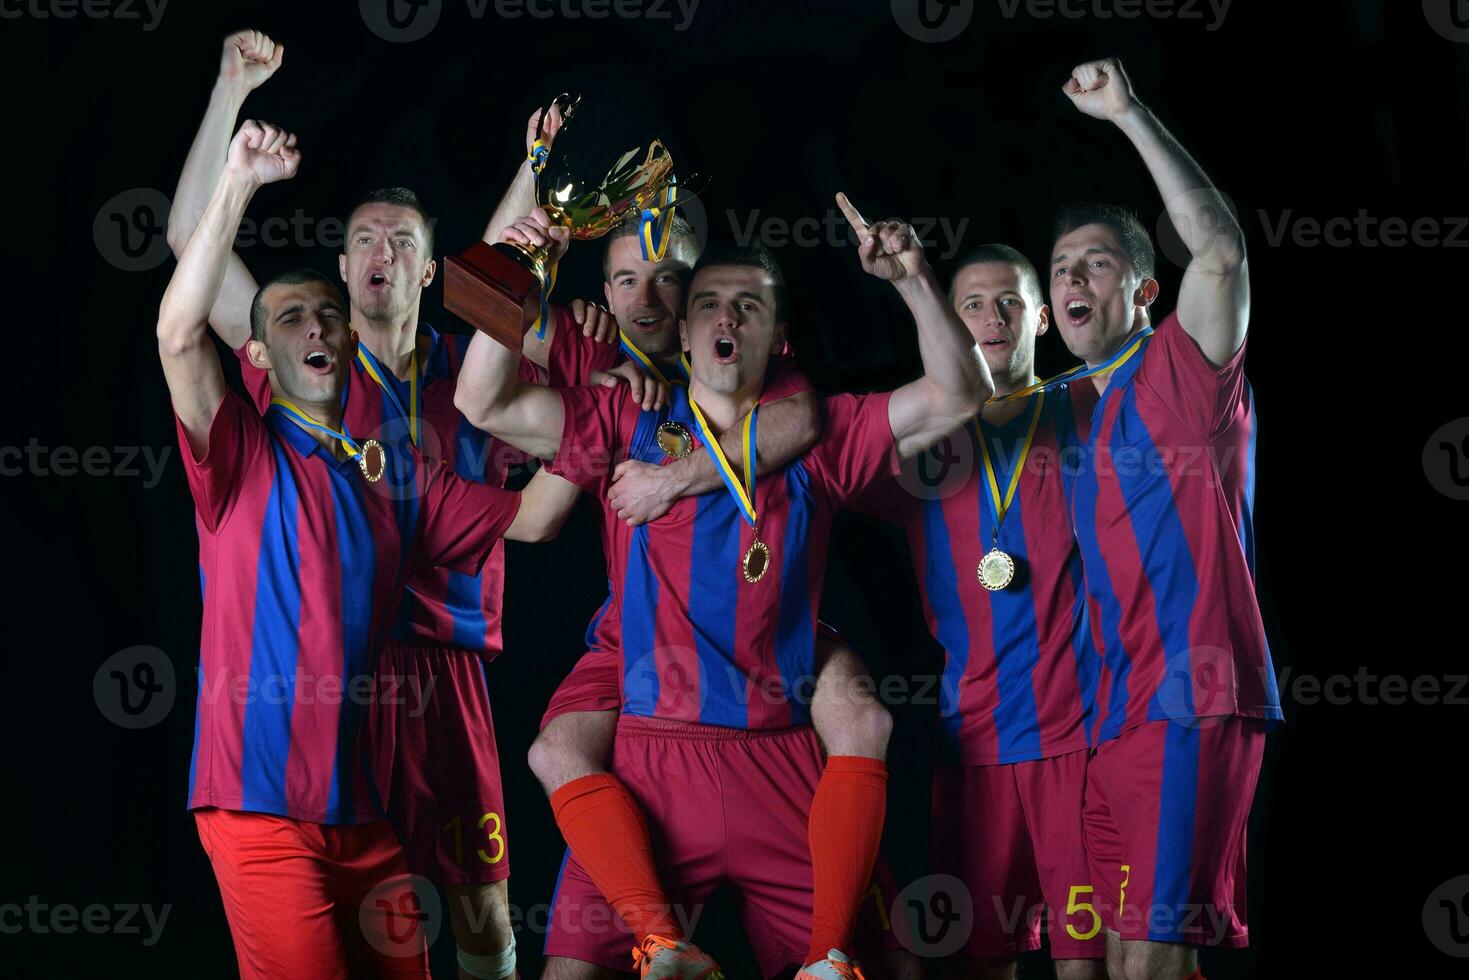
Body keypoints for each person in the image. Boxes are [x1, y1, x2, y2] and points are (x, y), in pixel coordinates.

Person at [455, 193, 990, 978]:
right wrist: (516, 264)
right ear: (683, 327)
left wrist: (912, 281)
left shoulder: (818, 435)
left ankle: (829, 956)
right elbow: (482, 402)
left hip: (778, 754)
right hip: (649, 752)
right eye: (705, 302)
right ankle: (665, 949)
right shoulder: (622, 413)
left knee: (887, 967)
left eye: (748, 304)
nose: (722, 316)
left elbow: (958, 394)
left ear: (779, 339)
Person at [159, 119, 569, 979]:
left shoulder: (470, 382)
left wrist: (536, 172)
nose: (380, 253)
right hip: (333, 696)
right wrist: (234, 122)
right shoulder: (282, 406)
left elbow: (503, 280)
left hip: (442, 674)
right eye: (362, 241)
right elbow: (185, 281)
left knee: (479, 911)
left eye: (402, 243)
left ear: (430, 270)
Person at [1047, 58, 1280, 980]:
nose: (1072, 277)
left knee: (1148, 963)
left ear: (1143, 292)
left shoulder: (1184, 370)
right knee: (1124, 965)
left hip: (1192, 699)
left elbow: (1219, 252)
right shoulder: (1076, 412)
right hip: (1115, 721)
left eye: (1096, 263)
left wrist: (1128, 113)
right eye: (1060, 266)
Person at [854, 245, 1105, 978]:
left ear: (1043, 320)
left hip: (1081, 741)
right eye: (971, 305)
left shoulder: (1086, 408)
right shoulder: (919, 441)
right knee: (976, 963)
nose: (992, 320)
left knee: (1086, 963)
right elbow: (804, 466)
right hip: (973, 750)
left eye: (1011, 304)